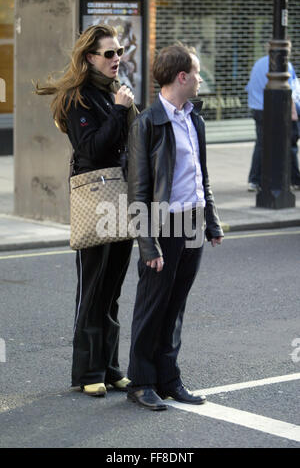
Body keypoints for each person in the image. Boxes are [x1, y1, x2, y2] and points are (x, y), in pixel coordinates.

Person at [35, 25, 138, 397]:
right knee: (92, 289)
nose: (116, 59)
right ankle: (87, 370)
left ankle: (110, 368)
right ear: (90, 58)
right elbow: (92, 150)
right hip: (95, 199)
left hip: (121, 198)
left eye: (119, 51)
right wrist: (118, 111)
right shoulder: (77, 98)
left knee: (112, 289)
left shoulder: (113, 92)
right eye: (108, 54)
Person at [126, 44, 224, 411]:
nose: (200, 79)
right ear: (181, 76)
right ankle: (142, 381)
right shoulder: (147, 123)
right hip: (163, 224)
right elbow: (137, 191)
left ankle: (168, 378)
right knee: (153, 305)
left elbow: (202, 176)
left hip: (193, 220)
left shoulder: (194, 119)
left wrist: (210, 221)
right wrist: (148, 245)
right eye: (197, 72)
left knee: (177, 304)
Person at [246, 46, 300, 191]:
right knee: (289, 144)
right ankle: (294, 179)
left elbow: (249, 86)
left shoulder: (258, 63)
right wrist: (293, 112)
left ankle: (255, 180)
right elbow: (291, 91)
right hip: (275, 109)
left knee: (261, 143)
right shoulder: (284, 65)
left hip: (257, 107)